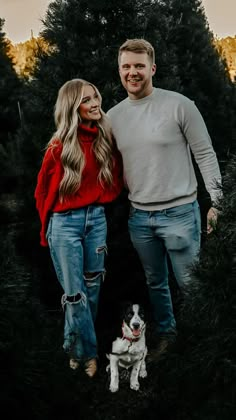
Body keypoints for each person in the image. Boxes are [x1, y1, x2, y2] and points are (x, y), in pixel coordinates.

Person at [107, 39, 222, 356]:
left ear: (152, 68)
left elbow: (205, 154)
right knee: (155, 283)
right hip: (140, 218)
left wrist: (217, 201)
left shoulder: (179, 105)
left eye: (139, 66)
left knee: (191, 284)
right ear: (120, 70)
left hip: (180, 215)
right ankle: (168, 337)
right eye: (126, 66)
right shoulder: (113, 118)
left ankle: (204, 343)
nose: (133, 72)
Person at [35, 78, 123, 377]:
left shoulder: (104, 138)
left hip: (95, 221)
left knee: (93, 289)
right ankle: (89, 354)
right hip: (64, 226)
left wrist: (100, 199)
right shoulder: (58, 148)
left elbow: (116, 176)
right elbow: (42, 193)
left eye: (95, 95)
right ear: (74, 108)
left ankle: (72, 345)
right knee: (75, 294)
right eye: (86, 100)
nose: (95, 102)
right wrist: (47, 230)